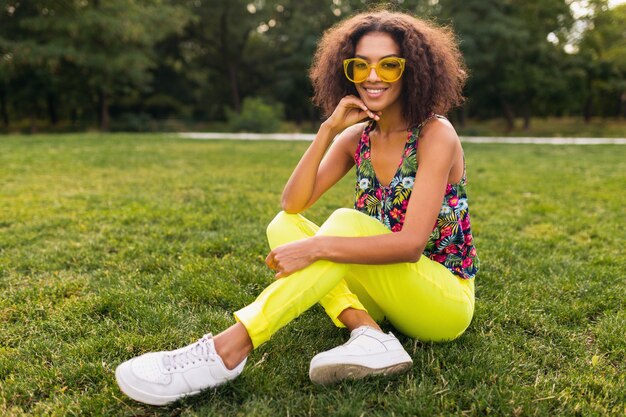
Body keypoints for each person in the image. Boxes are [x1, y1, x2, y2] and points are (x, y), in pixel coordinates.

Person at [115, 9, 479, 406]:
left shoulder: (435, 134)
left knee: (341, 225)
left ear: (413, 71)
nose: (374, 76)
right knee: (285, 224)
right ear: (348, 72)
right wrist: (328, 129)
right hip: (385, 288)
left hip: (442, 303)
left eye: (389, 65)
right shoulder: (358, 136)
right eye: (362, 65)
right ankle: (369, 334)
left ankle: (228, 349)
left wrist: (318, 247)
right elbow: (294, 202)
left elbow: (410, 245)